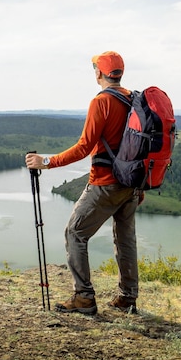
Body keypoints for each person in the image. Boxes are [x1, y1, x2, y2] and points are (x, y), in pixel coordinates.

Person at [25, 50, 141, 315]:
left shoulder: (100, 102)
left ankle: (84, 297)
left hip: (105, 183)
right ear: (120, 73)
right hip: (132, 184)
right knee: (125, 239)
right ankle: (127, 298)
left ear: (99, 72)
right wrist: (140, 186)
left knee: (75, 233)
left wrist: (46, 162)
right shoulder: (133, 100)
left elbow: (83, 147)